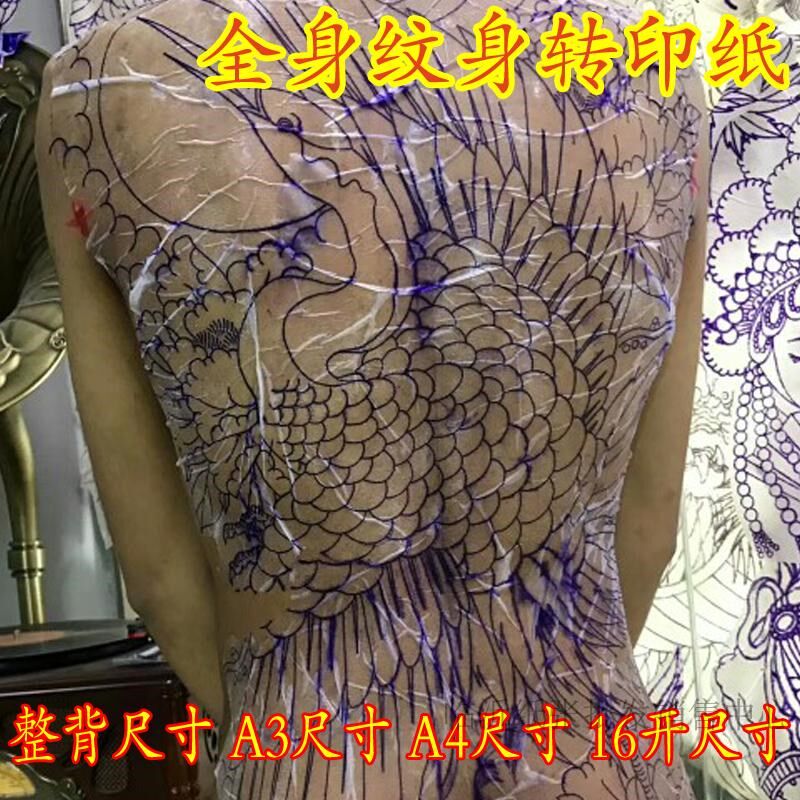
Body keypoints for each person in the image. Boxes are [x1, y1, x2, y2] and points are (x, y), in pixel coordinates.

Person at [35, 0, 708, 796]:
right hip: (597, 757)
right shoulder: (659, 76)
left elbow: (157, 574)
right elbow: (649, 527)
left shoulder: (102, 85)